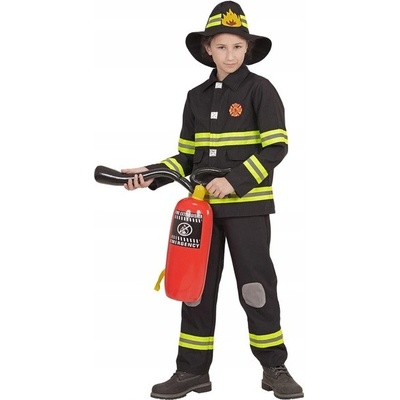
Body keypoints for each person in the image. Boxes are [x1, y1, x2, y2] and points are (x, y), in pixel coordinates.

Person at [122, 2, 303, 399]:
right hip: (201, 212)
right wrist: (150, 174)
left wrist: (233, 181)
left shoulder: (261, 90)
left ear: (248, 48)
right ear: (208, 49)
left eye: (237, 47)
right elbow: (186, 157)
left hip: (248, 210)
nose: (230, 55)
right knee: (195, 288)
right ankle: (191, 372)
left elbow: (277, 148)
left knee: (255, 287)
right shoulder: (196, 97)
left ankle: (274, 367)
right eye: (222, 47)